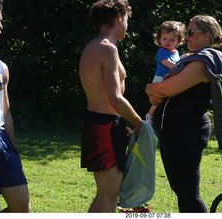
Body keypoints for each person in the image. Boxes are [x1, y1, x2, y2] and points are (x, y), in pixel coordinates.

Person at [145, 15, 222, 212]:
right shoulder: (191, 59)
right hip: (175, 132)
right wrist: (154, 91)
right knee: (181, 190)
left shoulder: (202, 62)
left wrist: (149, 88)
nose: (186, 36)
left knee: (189, 194)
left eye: (191, 32)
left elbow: (164, 90)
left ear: (206, 35)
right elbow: (158, 95)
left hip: (186, 133)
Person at [79, 0, 143, 213]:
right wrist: (139, 123)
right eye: (127, 19)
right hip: (104, 127)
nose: (127, 24)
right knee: (109, 197)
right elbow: (115, 98)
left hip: (103, 124)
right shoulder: (107, 49)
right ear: (119, 17)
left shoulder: (94, 46)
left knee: (104, 195)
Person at [0, 0, 30, 213]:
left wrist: (12, 150)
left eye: (1, 21)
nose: (0, 26)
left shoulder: (1, 67)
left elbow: (6, 112)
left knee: (22, 207)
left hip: (1, 141)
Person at [145, 20, 186, 126]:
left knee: (169, 100)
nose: (168, 42)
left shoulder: (176, 52)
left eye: (172, 40)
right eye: (165, 39)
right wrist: (182, 68)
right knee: (158, 99)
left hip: (170, 79)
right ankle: (149, 116)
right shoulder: (162, 51)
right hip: (161, 79)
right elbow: (168, 64)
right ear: (159, 39)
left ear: (178, 41)